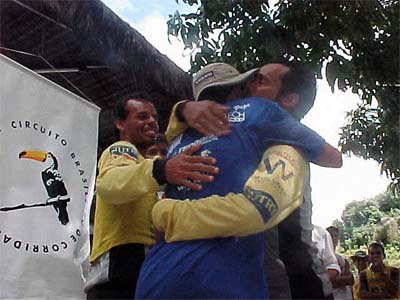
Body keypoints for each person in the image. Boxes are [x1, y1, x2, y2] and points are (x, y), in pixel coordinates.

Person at [135, 62, 342, 299]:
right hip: (239, 281)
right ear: (235, 88)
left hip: (158, 277)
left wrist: (164, 213)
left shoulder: (178, 140)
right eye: (249, 81)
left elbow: (253, 211)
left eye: (260, 80)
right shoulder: (257, 114)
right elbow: (333, 157)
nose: (252, 84)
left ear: (288, 99)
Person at [84, 96, 219, 299]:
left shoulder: (147, 172)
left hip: (142, 268)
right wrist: (162, 169)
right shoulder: (121, 150)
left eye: (155, 117)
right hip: (119, 273)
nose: (152, 121)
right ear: (121, 123)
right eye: (142, 116)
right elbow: (110, 184)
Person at [326, 225, 354, 299]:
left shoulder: (342, 259)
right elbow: (326, 282)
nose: (334, 238)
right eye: (331, 235)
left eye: (336, 236)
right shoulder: (321, 258)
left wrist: (335, 280)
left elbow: (350, 280)